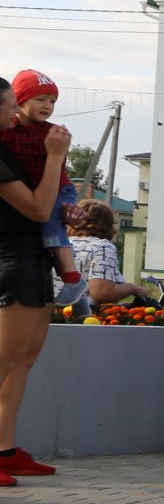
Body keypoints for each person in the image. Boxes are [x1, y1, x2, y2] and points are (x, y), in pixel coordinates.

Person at [0, 77, 70, 483]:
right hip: (11, 259)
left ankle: (5, 448)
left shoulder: (17, 148)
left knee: (23, 360)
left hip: (34, 258)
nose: (15, 112)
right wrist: (56, 157)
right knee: (6, 359)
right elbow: (39, 209)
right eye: (10, 105)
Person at [2, 71, 83, 308]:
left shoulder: (51, 132)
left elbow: (57, 173)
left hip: (58, 189)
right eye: (41, 99)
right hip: (34, 205)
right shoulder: (8, 133)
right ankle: (77, 291)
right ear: (20, 101)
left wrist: (56, 153)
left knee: (52, 228)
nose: (48, 106)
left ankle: (72, 279)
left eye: (53, 101)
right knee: (50, 229)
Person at [68, 199, 150, 310]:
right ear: (108, 224)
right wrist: (133, 288)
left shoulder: (63, 244)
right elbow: (101, 292)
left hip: (50, 315)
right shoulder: (101, 247)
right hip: (83, 318)